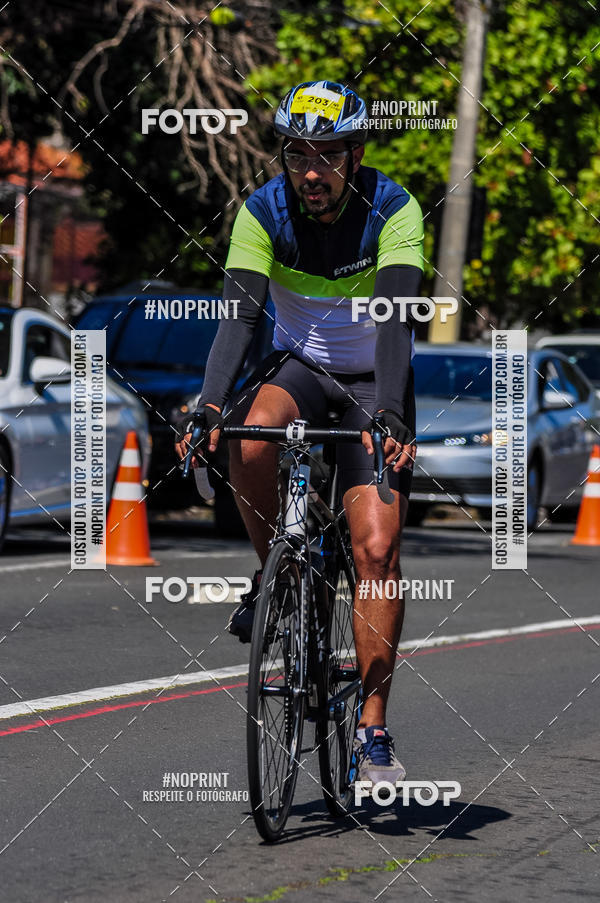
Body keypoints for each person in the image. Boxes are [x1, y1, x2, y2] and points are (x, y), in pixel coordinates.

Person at [175, 80, 424, 786]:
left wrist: (392, 415)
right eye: (296, 154)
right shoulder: (262, 209)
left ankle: (372, 729)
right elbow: (241, 317)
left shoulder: (394, 208)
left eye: (328, 155)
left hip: (373, 381)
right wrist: (209, 403)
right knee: (250, 436)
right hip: (301, 369)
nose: (311, 171)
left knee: (376, 548)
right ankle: (274, 574)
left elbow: (395, 319)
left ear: (356, 152)